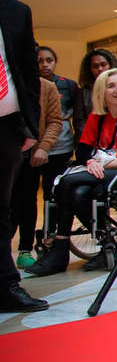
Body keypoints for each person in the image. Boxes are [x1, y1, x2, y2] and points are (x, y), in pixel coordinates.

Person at [27, 70, 117, 276]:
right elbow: (83, 149)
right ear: (102, 91)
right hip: (100, 169)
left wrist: (104, 163)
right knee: (78, 193)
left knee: (66, 182)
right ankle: (107, 242)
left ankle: (60, 248)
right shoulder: (96, 117)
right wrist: (91, 161)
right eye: (111, 86)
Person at [0, 0, 48, 311]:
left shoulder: (16, 11)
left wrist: (30, 124)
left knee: (4, 207)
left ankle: (6, 284)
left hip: (7, 122)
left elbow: (28, 72)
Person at [7, 65, 62, 271]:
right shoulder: (8, 85)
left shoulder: (47, 87)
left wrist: (44, 148)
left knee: (27, 202)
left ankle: (24, 249)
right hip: (7, 154)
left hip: (32, 154)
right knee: (6, 203)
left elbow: (55, 121)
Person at [27, 47, 77, 269]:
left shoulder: (67, 85)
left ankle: (51, 241)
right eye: (40, 61)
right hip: (30, 149)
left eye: (49, 60)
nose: (45, 64)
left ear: (56, 62)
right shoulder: (26, 85)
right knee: (27, 199)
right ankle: (27, 246)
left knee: (53, 195)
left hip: (60, 148)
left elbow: (71, 113)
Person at [74, 49, 117, 155]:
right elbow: (79, 124)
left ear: (111, 65)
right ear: (89, 69)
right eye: (95, 66)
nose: (100, 69)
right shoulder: (83, 92)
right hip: (92, 147)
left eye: (103, 64)